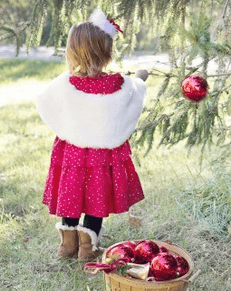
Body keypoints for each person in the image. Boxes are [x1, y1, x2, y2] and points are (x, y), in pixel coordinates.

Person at [35, 8, 148, 261]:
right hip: (102, 157)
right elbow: (135, 92)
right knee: (97, 197)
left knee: (72, 194)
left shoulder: (65, 84)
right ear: (107, 53)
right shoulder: (118, 84)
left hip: (73, 153)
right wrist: (141, 77)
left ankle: (67, 246)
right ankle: (88, 247)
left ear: (72, 52)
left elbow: (44, 100)